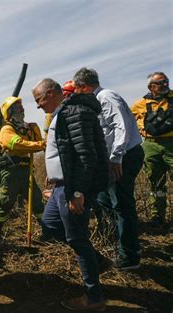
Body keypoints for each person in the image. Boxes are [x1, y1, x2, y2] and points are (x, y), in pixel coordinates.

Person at [32, 78, 109, 311]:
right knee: (49, 225)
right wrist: (53, 176)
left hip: (72, 188)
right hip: (60, 187)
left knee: (77, 238)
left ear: (53, 93)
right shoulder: (59, 114)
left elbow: (86, 155)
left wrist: (77, 192)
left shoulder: (74, 112)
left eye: (39, 99)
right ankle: (96, 260)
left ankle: (94, 297)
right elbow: (63, 150)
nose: (37, 105)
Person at [73, 67, 144, 271]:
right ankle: (118, 243)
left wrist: (116, 157)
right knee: (104, 201)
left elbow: (120, 126)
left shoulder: (106, 97)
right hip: (113, 159)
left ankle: (130, 257)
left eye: (77, 89)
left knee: (122, 205)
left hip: (124, 158)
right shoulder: (96, 101)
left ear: (84, 86)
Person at [0, 96, 45, 242]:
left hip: (26, 169)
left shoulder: (26, 128)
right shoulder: (6, 129)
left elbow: (36, 142)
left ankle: (47, 230)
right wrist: (39, 144)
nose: (21, 109)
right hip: (11, 171)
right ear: (9, 112)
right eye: (16, 108)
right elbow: (16, 144)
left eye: (21, 107)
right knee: (5, 200)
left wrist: (35, 131)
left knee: (36, 199)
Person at [131, 72, 172, 228]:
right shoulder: (139, 104)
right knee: (156, 182)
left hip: (172, 143)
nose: (165, 84)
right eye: (161, 82)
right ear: (151, 87)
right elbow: (126, 121)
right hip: (150, 145)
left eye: (166, 81)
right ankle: (157, 216)